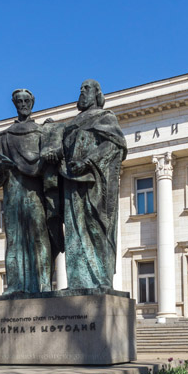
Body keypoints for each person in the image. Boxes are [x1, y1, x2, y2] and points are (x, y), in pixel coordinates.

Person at [0, 89, 62, 294]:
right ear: (14, 103)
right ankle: (15, 286)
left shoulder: (41, 133)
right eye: (19, 101)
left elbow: (53, 160)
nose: (23, 104)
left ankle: (45, 284)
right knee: (14, 240)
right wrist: (1, 167)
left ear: (33, 102)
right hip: (13, 195)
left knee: (40, 237)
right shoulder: (4, 137)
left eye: (27, 100)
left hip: (35, 195)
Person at [58, 79, 127, 289]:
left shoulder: (105, 117)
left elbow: (115, 145)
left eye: (86, 89)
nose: (82, 92)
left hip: (94, 184)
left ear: (97, 93)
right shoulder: (71, 123)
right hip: (71, 182)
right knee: (74, 231)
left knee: (95, 227)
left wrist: (87, 162)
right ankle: (77, 283)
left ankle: (100, 281)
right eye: (80, 89)